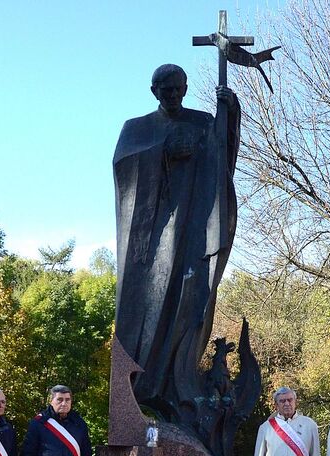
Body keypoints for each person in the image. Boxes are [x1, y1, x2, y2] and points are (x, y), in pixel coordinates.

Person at [113, 63, 240, 420]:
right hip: (153, 242)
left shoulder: (201, 122)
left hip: (193, 231)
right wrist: (165, 151)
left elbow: (222, 163)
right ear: (153, 91)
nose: (172, 95)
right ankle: (144, 387)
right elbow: (124, 167)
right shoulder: (136, 128)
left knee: (191, 299)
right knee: (150, 305)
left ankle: (178, 384)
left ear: (185, 89)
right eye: (165, 90)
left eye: (178, 89)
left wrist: (228, 116)